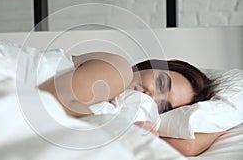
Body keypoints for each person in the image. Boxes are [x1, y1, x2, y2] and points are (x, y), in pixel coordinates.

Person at [39, 52, 223, 156]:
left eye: (163, 107)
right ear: (150, 65)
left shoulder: (112, 109)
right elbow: (48, 102)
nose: (150, 97)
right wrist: (119, 131)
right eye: (160, 83)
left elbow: (186, 147)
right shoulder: (118, 68)